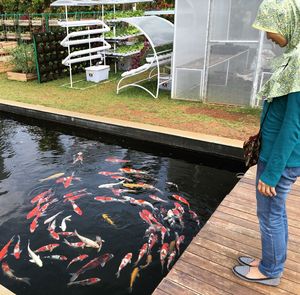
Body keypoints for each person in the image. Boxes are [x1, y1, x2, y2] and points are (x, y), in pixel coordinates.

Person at [232, 0, 300, 286]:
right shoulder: (294, 55)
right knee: (275, 212)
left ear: (288, 23)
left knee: (269, 214)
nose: (268, 36)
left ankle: (271, 271)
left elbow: (295, 126)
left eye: (271, 29)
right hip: (275, 157)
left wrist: (272, 172)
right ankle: (271, 260)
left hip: (280, 162)